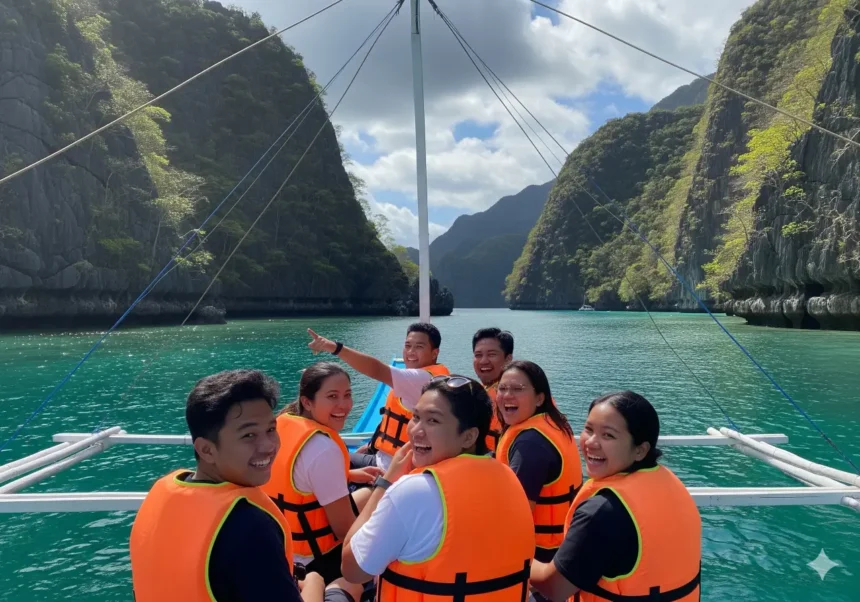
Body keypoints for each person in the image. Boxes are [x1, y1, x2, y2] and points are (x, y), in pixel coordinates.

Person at [129, 369, 358, 602]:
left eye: (271, 429)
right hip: (309, 570)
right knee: (351, 583)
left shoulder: (160, 495)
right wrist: (314, 583)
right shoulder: (250, 526)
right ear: (206, 449)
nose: (269, 446)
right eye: (249, 435)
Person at [340, 374, 536, 602]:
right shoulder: (510, 479)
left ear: (468, 436)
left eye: (432, 421)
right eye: (415, 417)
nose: (415, 431)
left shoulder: (413, 491)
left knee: (335, 585)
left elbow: (352, 569)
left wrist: (386, 482)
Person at [529, 391, 702, 602]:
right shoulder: (671, 485)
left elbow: (553, 588)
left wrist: (520, 558)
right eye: (588, 429)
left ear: (640, 450)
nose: (591, 442)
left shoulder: (603, 512)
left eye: (608, 435)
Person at [262, 362, 379, 588]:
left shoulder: (281, 425)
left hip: (281, 547)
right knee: (378, 497)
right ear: (307, 402)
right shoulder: (323, 448)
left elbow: (298, 478)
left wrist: (349, 475)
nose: (344, 405)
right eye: (332, 396)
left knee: (368, 493)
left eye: (347, 395)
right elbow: (345, 531)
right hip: (315, 562)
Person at [307, 322, 449, 470]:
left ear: (434, 353)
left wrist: (334, 347)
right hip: (383, 458)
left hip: (394, 469)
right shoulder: (432, 376)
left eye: (419, 347)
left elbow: (376, 369)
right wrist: (371, 447)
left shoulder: (423, 379)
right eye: (407, 346)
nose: (411, 352)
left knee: (327, 460)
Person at [494, 361, 583, 563]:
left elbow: (517, 516)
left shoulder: (530, 444)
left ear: (539, 398)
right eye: (503, 388)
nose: (508, 395)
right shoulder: (551, 424)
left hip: (542, 555)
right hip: (565, 543)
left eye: (518, 389)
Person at [471, 327, 514, 451]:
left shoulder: (513, 397)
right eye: (478, 355)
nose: (484, 361)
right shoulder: (484, 392)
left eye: (492, 354)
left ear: (508, 359)